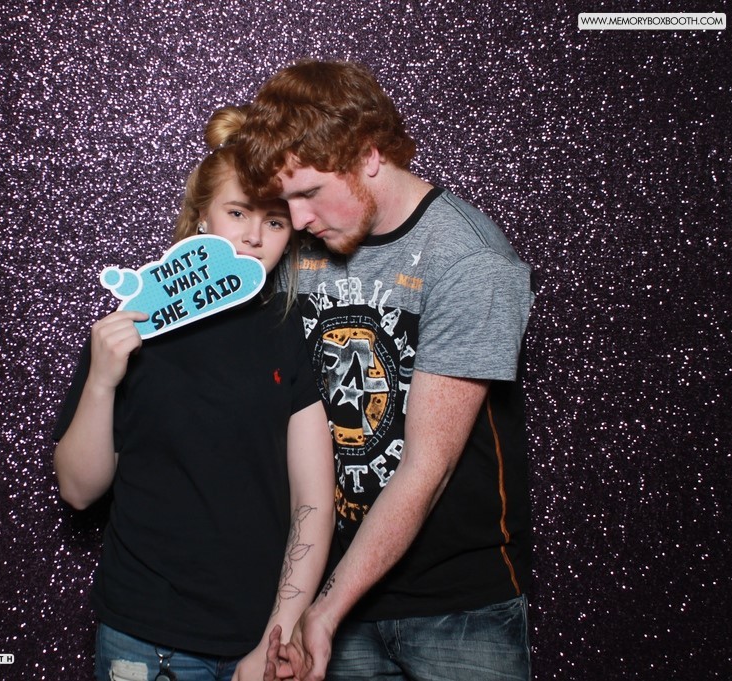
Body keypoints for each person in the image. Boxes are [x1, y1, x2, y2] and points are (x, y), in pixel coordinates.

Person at [234, 60, 536, 681]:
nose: (296, 220)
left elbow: (428, 467)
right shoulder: (301, 245)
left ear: (369, 154)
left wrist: (323, 613)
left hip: (457, 608)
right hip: (325, 595)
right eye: (284, 201)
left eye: (309, 193)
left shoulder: (470, 261)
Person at [52, 106, 335, 681]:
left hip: (254, 640)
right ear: (202, 216)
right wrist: (102, 379)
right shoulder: (135, 324)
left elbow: (313, 501)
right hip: (146, 638)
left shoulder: (288, 332)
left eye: (275, 222)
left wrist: (279, 632)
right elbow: (79, 492)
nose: (253, 236)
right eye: (237, 213)